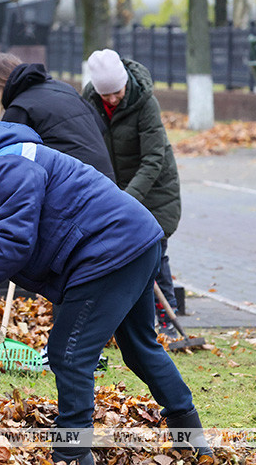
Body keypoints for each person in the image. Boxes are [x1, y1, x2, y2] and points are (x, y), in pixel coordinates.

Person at [0, 122, 213, 465]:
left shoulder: (6, 167)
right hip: (134, 242)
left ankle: (72, 454)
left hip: (109, 252)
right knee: (139, 347)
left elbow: (13, 244)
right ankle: (190, 437)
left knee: (69, 354)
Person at [82, 49, 182, 337]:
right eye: (106, 94)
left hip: (154, 188)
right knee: (121, 253)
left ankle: (168, 320)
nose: (112, 99)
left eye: (117, 92)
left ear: (125, 82)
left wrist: (126, 200)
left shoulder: (145, 102)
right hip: (116, 189)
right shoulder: (90, 101)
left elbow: (153, 160)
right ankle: (129, 322)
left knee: (154, 250)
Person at [0, 53, 116, 181]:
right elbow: (100, 126)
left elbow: (9, 165)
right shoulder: (64, 88)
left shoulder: (18, 110)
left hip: (76, 184)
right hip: (106, 180)